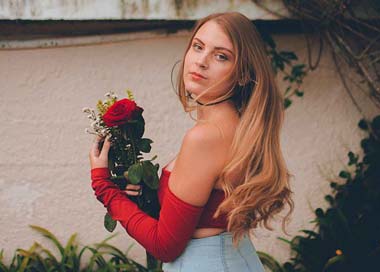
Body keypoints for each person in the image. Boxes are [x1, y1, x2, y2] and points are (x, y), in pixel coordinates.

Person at [89, 11, 294, 272]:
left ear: (243, 74)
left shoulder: (206, 137)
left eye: (221, 56)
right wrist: (148, 196)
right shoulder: (238, 126)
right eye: (198, 47)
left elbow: (165, 246)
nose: (201, 61)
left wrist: (103, 185)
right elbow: (199, 214)